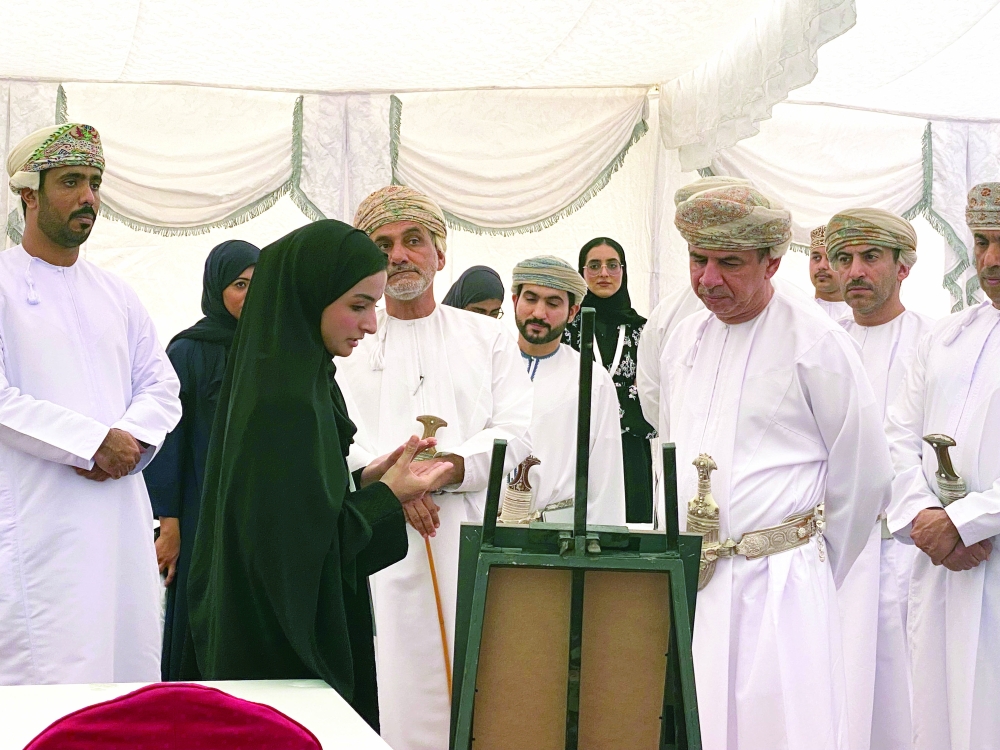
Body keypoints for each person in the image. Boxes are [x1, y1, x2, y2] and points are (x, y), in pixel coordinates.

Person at [182, 220, 453, 731]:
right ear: (309, 294)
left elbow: (297, 504)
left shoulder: (293, 375)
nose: (371, 324)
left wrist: (370, 479)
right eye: (358, 305)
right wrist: (388, 498)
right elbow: (298, 553)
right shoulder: (285, 402)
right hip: (280, 659)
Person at [659, 181, 893, 750]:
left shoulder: (816, 342)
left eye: (729, 263)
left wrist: (806, 562)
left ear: (771, 261)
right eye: (698, 260)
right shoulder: (682, 339)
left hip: (782, 585)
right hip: (696, 583)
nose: (708, 280)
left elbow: (865, 476)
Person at [338, 185, 533, 750]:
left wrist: (445, 469)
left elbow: (516, 434)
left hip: (470, 532)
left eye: (413, 241)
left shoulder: (490, 335)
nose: (398, 255)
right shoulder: (352, 339)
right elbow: (339, 440)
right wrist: (393, 483)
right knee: (395, 683)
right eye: (383, 244)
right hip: (382, 537)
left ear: (440, 254)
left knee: (484, 679)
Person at [0, 123, 181, 684]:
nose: (88, 197)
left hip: (122, 513)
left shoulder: (116, 292)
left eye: (95, 183)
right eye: (71, 181)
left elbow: (162, 385)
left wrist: (128, 440)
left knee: (124, 663)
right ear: (30, 193)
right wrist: (91, 444)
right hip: (38, 516)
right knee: (48, 673)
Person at [885, 182, 1000, 750]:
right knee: (936, 715)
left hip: (991, 555)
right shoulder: (948, 335)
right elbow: (896, 437)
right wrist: (925, 515)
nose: (991, 259)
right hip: (939, 565)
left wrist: (968, 521)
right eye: (981, 242)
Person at [826, 209, 932, 750]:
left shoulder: (933, 341)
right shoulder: (821, 342)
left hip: (902, 551)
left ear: (903, 267)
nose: (855, 271)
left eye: (870, 257)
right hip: (827, 552)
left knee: (898, 694)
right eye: (844, 259)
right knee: (830, 690)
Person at [144, 239, 260, 681]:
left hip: (254, 513)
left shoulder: (274, 349)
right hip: (199, 511)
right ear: (216, 289)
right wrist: (168, 523)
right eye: (239, 284)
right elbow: (168, 441)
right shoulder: (187, 352)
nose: (251, 295)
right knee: (200, 611)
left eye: (259, 284)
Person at [511, 256, 625, 525]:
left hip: (555, 538)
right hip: (480, 525)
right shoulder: (486, 364)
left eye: (553, 303)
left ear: (573, 312)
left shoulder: (592, 380)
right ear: (515, 301)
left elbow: (605, 480)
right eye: (530, 299)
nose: (539, 313)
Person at [564, 237, 656, 523]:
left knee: (631, 534)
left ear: (623, 271)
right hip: (575, 443)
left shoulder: (645, 330)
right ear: (582, 273)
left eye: (612, 265)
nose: (604, 273)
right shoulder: (566, 329)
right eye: (594, 265)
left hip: (630, 449)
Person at [810, 225, 853, 320]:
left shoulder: (862, 318)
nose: (822, 266)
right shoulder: (799, 311)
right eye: (816, 258)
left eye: (830, 259)